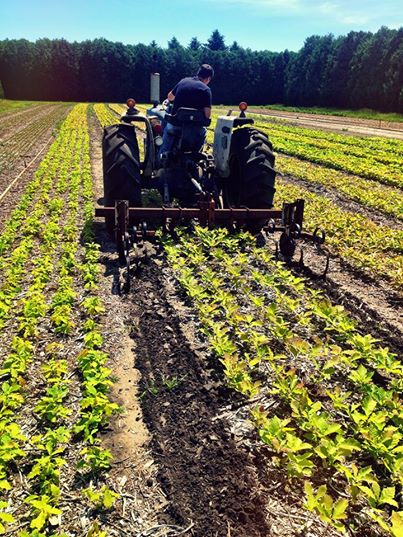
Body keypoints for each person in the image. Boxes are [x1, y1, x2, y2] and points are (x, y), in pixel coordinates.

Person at [159, 64, 214, 155]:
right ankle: (195, 154)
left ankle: (161, 158)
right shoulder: (206, 90)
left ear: (198, 73)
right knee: (203, 131)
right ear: (208, 79)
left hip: (175, 125)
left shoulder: (183, 81)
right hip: (195, 129)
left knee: (165, 144)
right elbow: (207, 115)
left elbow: (170, 97)